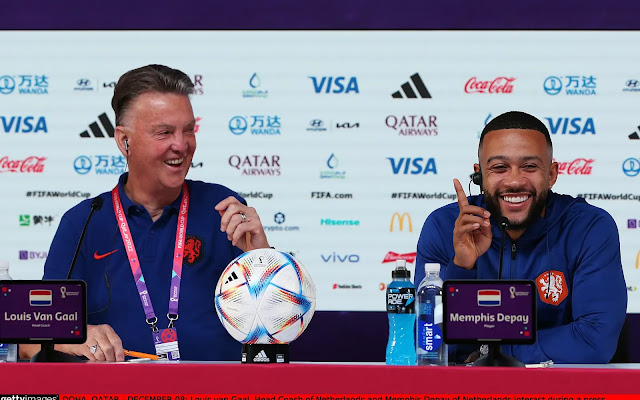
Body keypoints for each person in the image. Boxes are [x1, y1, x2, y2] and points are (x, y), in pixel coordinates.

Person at [20, 64, 270, 362]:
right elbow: (28, 342)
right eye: (164, 132)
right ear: (124, 140)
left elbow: (274, 326)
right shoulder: (83, 221)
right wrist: (76, 338)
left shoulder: (224, 209)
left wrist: (264, 258)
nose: (182, 145)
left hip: (219, 386)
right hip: (115, 389)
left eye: (188, 130)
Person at [415, 111, 627, 364]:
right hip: (469, 384)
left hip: (560, 384)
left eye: (529, 166)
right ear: (479, 176)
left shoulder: (589, 227)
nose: (514, 181)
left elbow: (595, 341)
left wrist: (495, 352)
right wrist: (462, 267)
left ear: (551, 174)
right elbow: (430, 345)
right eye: (499, 167)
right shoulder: (444, 226)